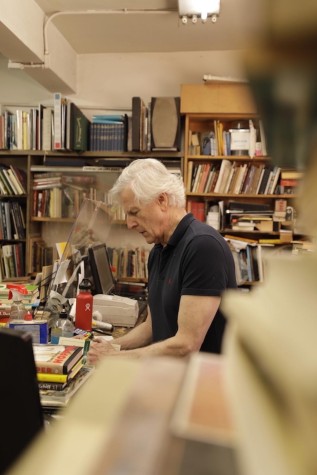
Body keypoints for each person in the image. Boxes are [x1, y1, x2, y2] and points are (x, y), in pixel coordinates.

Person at [87, 158, 237, 364]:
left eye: (134, 212)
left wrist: (115, 358)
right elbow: (151, 325)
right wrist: (112, 346)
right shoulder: (159, 250)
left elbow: (186, 345)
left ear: (162, 201)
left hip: (201, 386)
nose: (130, 224)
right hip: (168, 375)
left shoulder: (203, 247)